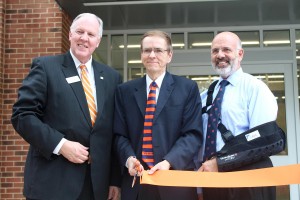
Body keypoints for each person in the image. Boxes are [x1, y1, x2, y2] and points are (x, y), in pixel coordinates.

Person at [11, 13, 122, 200]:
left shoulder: (112, 77)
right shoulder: (46, 67)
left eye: (90, 34)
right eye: (79, 31)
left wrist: (115, 180)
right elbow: (23, 116)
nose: (84, 38)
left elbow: (113, 132)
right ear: (70, 34)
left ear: (98, 41)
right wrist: (60, 145)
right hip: (53, 183)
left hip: (96, 186)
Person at [113, 30, 203, 200]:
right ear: (141, 55)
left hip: (175, 181)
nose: (152, 55)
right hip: (136, 182)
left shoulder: (187, 88)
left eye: (158, 50)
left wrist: (169, 162)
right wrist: (129, 159)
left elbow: (193, 134)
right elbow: (119, 135)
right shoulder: (124, 91)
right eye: (147, 50)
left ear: (169, 55)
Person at [197, 31, 278, 200]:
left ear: (240, 54)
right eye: (215, 51)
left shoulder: (256, 89)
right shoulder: (206, 95)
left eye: (226, 49)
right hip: (211, 182)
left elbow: (261, 141)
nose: (220, 55)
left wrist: (221, 162)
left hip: (248, 182)